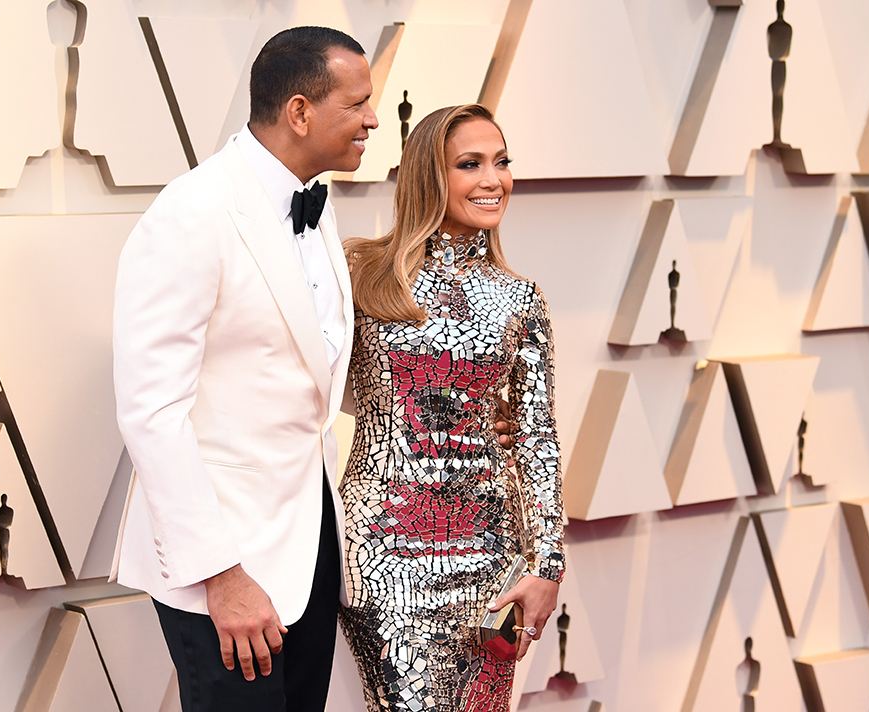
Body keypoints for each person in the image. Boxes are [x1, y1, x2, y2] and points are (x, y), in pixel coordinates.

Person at [111, 26, 378, 712]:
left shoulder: (314, 206)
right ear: (299, 112)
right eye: (358, 104)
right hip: (223, 566)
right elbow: (151, 411)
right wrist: (221, 575)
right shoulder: (192, 213)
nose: (374, 119)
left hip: (310, 550)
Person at [339, 104, 565, 711]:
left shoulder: (520, 298)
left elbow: (534, 437)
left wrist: (547, 564)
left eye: (502, 162)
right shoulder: (361, 272)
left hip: (493, 558)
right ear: (428, 176)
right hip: (383, 554)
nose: (494, 180)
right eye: (470, 164)